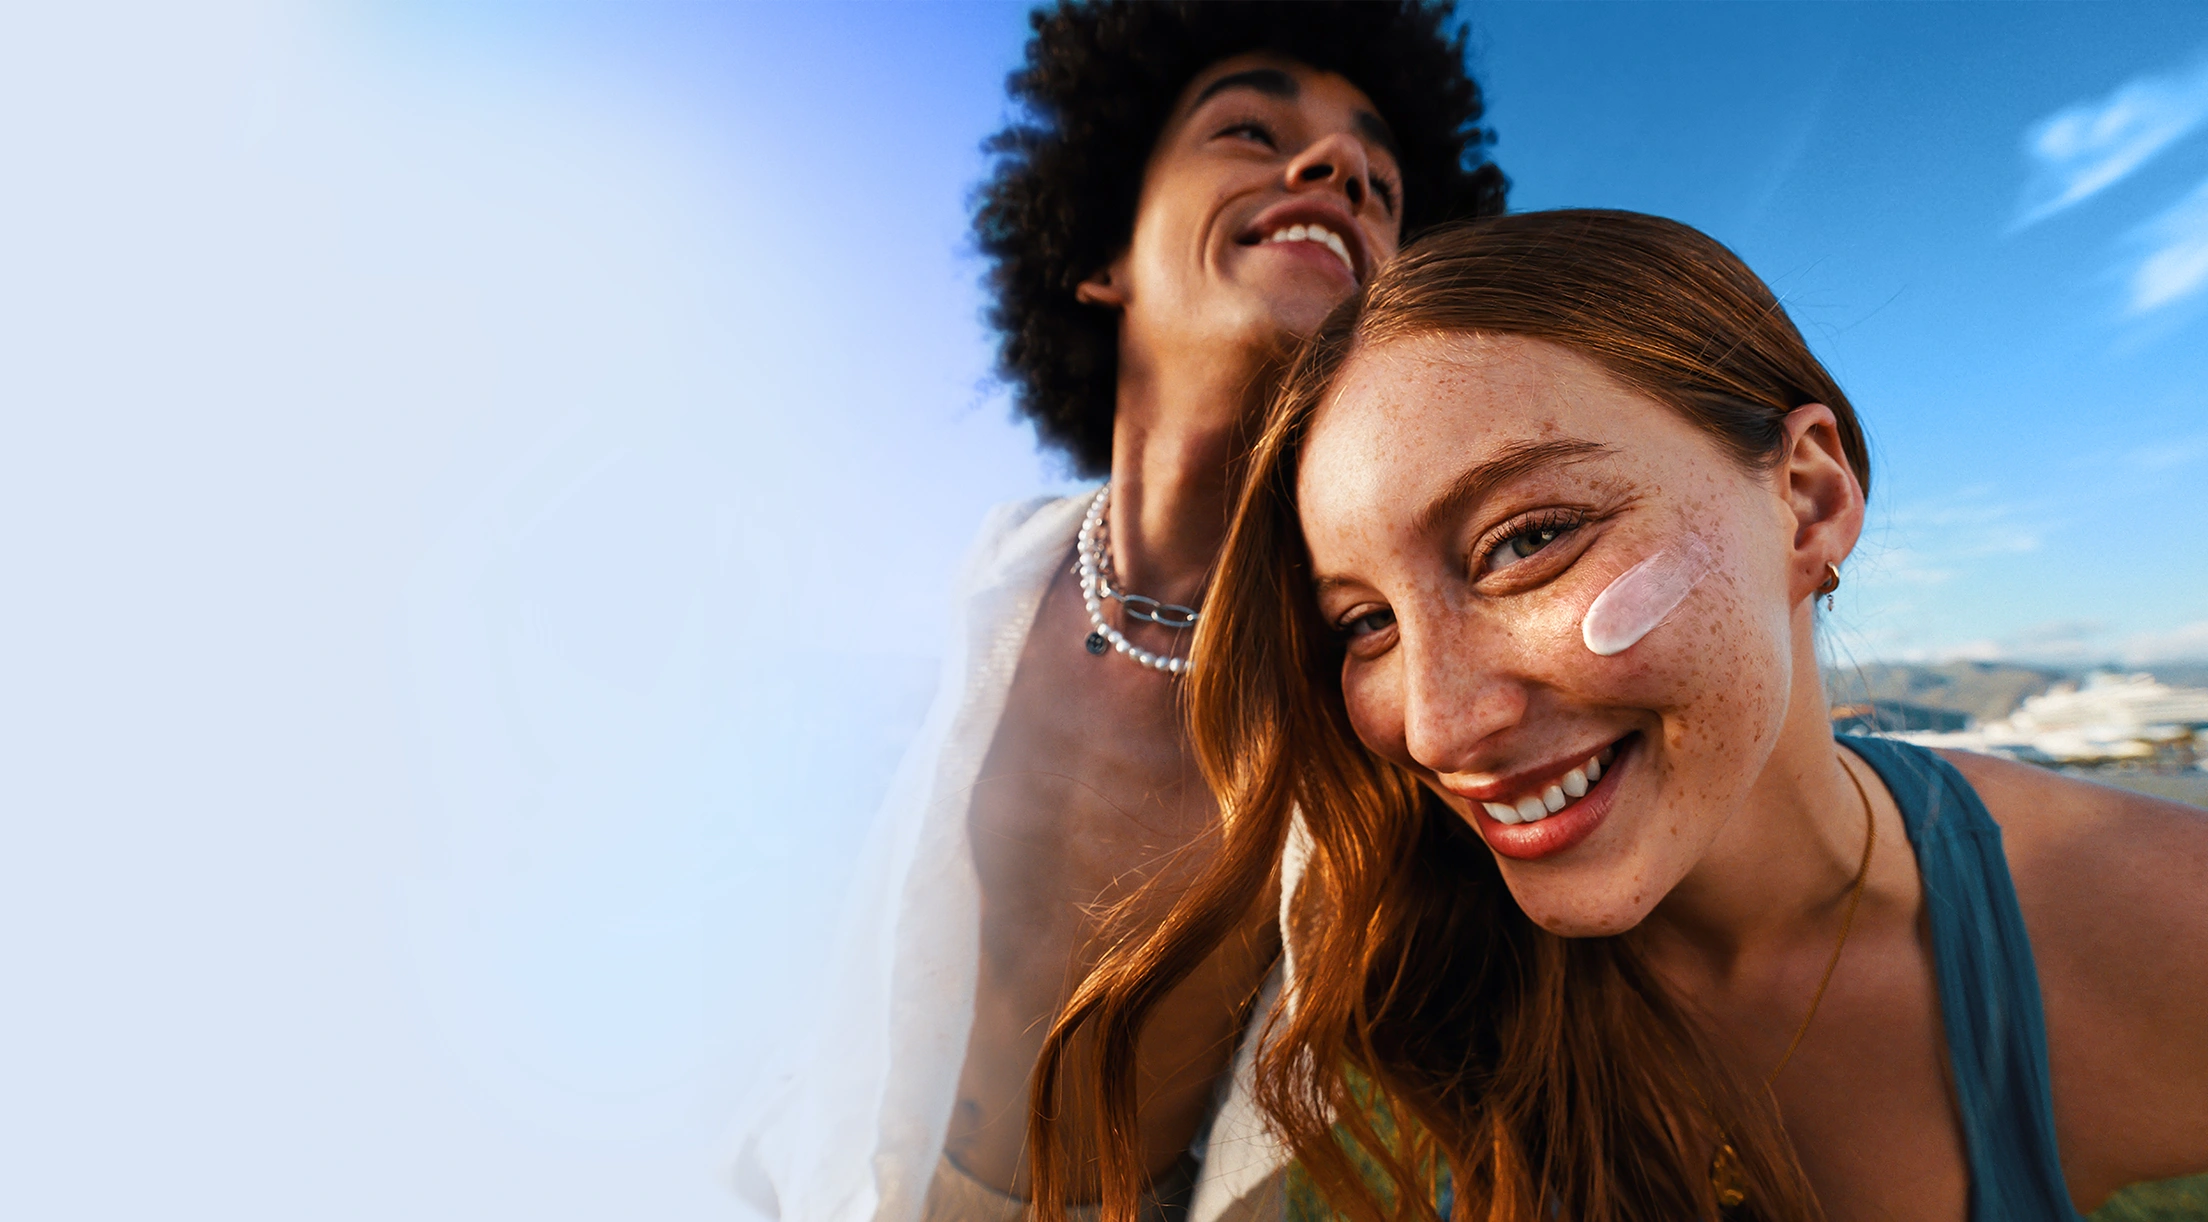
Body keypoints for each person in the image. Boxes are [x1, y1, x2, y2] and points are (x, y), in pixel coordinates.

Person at [1030, 210, 2208, 1222]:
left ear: (1808, 499)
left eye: (1528, 541)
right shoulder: (1408, 961)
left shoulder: (2151, 916)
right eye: (1364, 624)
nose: (1438, 730)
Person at [730, 5, 1505, 1221]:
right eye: (1249, 127)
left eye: (1385, 186)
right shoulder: (996, 574)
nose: (1343, 170)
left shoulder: (1396, 680)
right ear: (1102, 257)